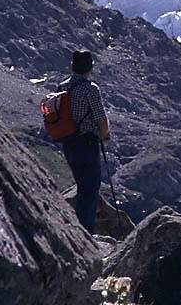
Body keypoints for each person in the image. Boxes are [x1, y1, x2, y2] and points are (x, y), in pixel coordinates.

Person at [58, 50, 110, 234]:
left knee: (81, 183)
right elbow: (100, 117)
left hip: (68, 141)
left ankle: (78, 229)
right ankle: (85, 232)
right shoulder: (90, 88)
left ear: (72, 66)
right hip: (87, 142)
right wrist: (104, 135)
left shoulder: (62, 87)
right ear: (90, 67)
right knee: (90, 187)